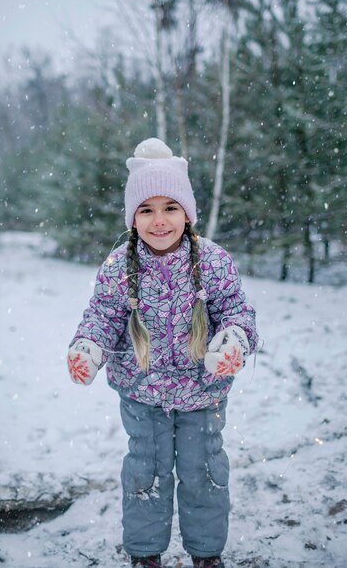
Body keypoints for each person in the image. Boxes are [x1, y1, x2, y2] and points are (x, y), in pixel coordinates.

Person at [67, 138, 258, 568]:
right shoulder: (119, 267)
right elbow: (102, 316)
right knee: (145, 473)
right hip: (142, 394)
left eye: (170, 207)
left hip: (202, 392)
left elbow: (238, 312)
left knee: (203, 472)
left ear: (187, 213)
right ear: (133, 217)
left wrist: (233, 341)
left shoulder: (213, 261)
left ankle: (207, 555)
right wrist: (89, 347)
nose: (159, 221)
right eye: (146, 209)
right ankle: (145, 554)